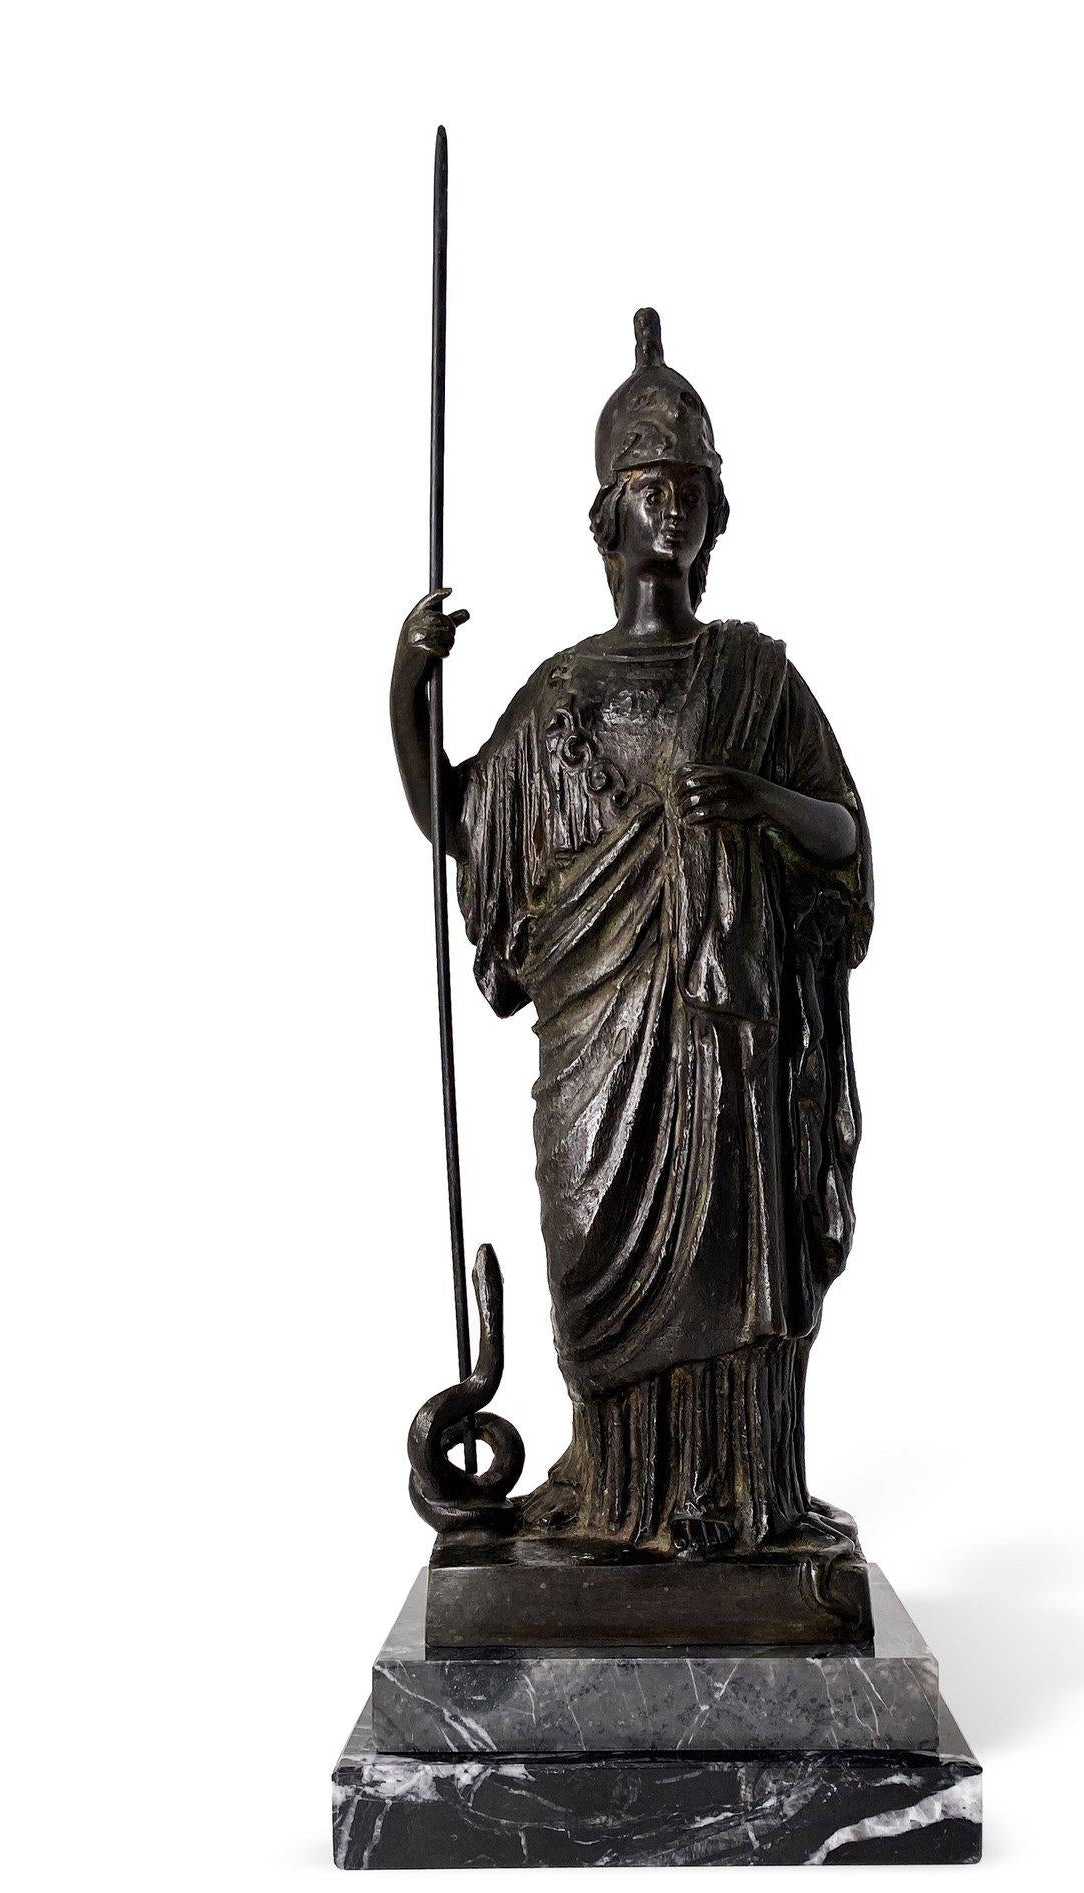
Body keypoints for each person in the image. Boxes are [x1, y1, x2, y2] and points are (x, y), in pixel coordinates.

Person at [389, 310, 872, 1557]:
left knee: (730, 1269)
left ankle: (733, 1506)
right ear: (607, 512)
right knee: (591, 1245)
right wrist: (406, 684)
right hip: (597, 1053)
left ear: (716, 512)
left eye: (688, 486)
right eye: (648, 485)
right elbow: (462, 815)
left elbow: (844, 839)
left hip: (724, 1052)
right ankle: (616, 1493)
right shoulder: (560, 693)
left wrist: (757, 800)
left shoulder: (756, 682)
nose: (670, 505)